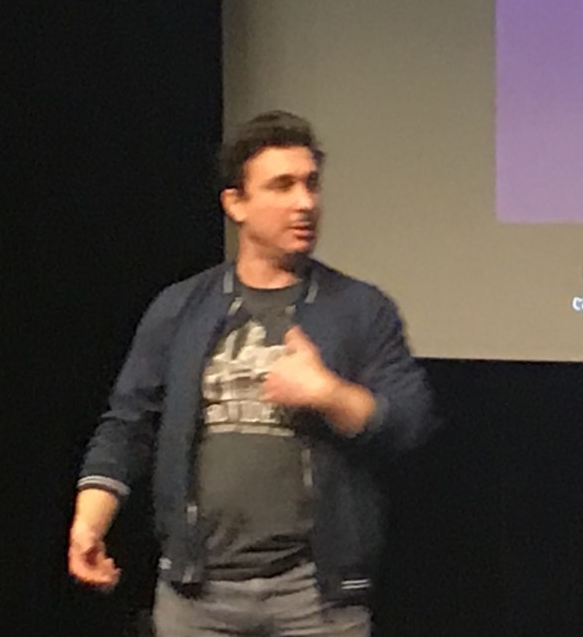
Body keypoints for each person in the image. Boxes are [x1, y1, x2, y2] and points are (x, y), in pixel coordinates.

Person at [67, 110, 437, 635]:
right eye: (282, 186)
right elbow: (128, 425)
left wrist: (329, 394)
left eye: (311, 184)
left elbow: (409, 422)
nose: (305, 202)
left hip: (315, 597)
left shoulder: (359, 309)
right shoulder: (181, 308)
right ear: (235, 204)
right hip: (197, 595)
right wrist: (89, 523)